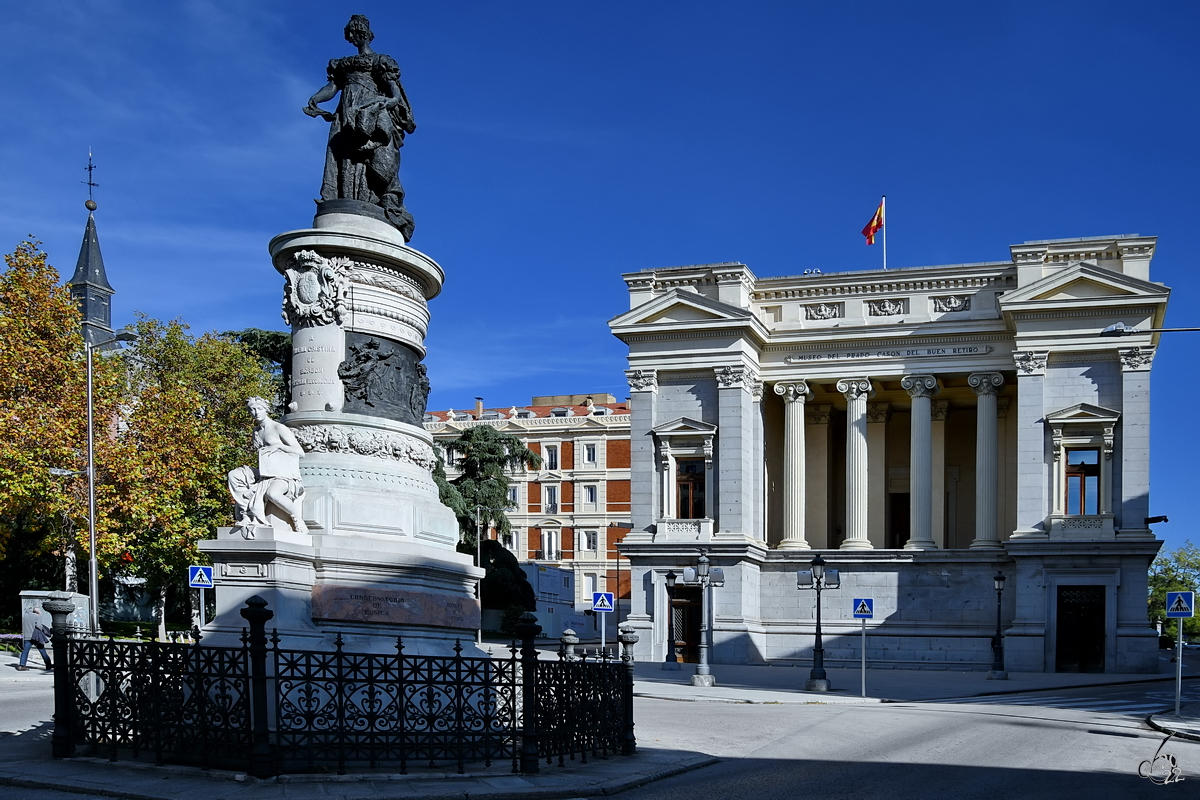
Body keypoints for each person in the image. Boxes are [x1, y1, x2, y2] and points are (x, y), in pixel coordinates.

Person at [304, 15, 417, 240]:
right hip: (346, 114)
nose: (354, 37)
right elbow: (333, 87)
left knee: (370, 159)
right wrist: (316, 99)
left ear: (364, 34)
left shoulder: (380, 61)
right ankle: (347, 198)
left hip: (368, 114)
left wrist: (387, 103)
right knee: (344, 158)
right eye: (351, 34)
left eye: (356, 33)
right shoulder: (343, 65)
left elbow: (394, 93)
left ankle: (373, 200)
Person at [227, 397, 308, 536]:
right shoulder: (256, 432)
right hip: (265, 473)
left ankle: (297, 518)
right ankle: (246, 511)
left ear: (266, 410)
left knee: (273, 493)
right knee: (234, 475)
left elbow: (300, 452)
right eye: (252, 409)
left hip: (284, 474)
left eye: (259, 409)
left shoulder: (278, 428)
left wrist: (279, 446)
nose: (256, 412)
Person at [17, 605, 52, 671]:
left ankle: (22, 665)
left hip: (27, 636)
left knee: (25, 651)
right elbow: (38, 625)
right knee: (42, 650)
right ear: (38, 612)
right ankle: (48, 665)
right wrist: (43, 629)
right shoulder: (37, 616)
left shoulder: (26, 616)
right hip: (35, 637)